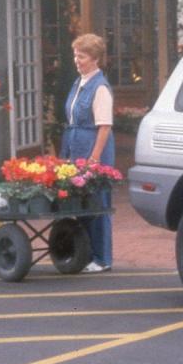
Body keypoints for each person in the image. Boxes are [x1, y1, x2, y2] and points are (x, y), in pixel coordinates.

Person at [60, 33, 115, 273]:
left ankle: (102, 258)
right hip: (76, 146)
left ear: (94, 59)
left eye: (81, 56)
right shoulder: (79, 82)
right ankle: (86, 253)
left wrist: (94, 159)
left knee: (97, 202)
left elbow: (104, 126)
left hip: (93, 148)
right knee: (81, 202)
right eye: (75, 55)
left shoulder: (99, 87)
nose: (76, 60)